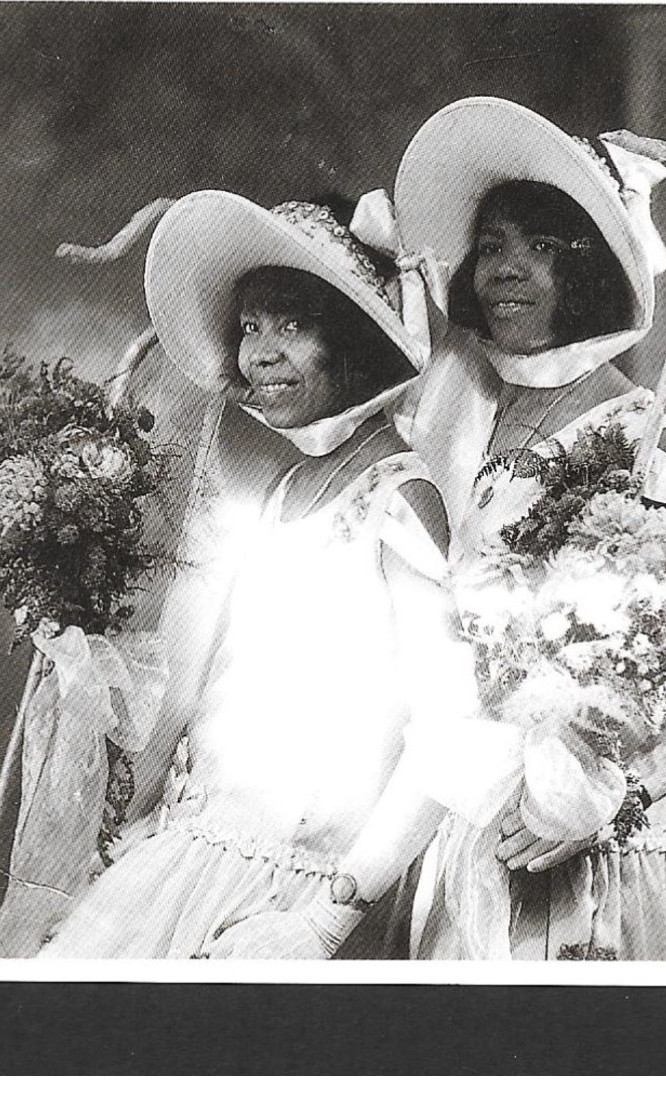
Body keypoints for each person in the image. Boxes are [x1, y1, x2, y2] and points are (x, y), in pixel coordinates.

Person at [34, 191, 476, 960]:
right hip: (188, 851)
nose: (260, 353)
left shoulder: (399, 498)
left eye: (292, 326)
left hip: (291, 884)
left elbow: (447, 736)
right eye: (249, 328)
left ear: (352, 339)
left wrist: (327, 918)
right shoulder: (278, 493)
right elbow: (198, 691)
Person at [390, 97, 666, 961]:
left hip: (584, 849)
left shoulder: (646, 434)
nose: (507, 268)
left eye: (540, 246)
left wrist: (608, 799)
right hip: (468, 819)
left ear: (586, 272)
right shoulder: (465, 413)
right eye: (494, 245)